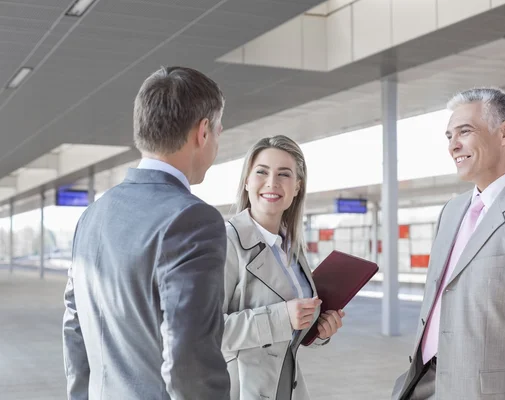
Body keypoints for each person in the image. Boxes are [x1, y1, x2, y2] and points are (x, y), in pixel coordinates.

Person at [391, 88, 505, 400]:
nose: (453, 145)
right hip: (421, 384)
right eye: (449, 135)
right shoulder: (451, 211)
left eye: (465, 131)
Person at [62, 66, 230, 399]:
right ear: (204, 131)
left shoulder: (92, 216)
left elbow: (75, 331)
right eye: (220, 131)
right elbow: (190, 362)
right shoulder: (193, 219)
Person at [222, 135, 345, 400]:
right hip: (239, 390)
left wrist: (319, 329)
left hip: (287, 386)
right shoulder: (225, 242)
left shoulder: (291, 248)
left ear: (297, 187)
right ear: (246, 181)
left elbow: (292, 326)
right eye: (262, 172)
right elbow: (202, 331)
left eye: (284, 174)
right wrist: (281, 318)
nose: (272, 183)